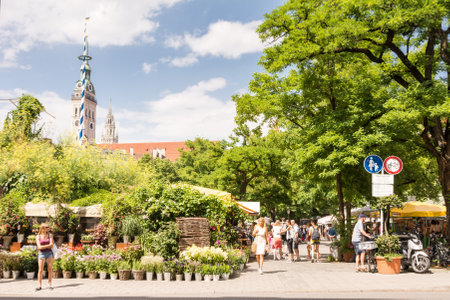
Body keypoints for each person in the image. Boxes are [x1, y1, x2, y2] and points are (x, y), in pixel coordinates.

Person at [36, 223, 54, 291]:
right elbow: (39, 247)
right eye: (47, 227)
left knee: (50, 269)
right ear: (43, 228)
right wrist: (48, 245)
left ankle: (50, 285)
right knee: (40, 270)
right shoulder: (38, 236)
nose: (48, 228)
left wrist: (42, 247)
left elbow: (51, 245)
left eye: (48, 227)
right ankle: (39, 285)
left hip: (49, 253)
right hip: (41, 254)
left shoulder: (50, 235)